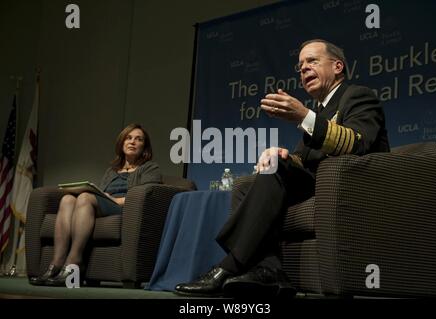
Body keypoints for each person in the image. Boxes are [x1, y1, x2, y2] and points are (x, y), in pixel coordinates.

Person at [175, 39, 390, 297]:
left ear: (337, 66)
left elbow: (357, 143)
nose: (303, 69)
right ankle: (271, 271)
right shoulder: (318, 111)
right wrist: (282, 154)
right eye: (299, 66)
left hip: (352, 185)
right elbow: (303, 159)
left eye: (312, 61)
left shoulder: (357, 95)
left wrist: (303, 117)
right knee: (253, 180)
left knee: (277, 168)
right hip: (320, 184)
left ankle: (228, 266)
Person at [29, 123, 162, 286]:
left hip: (126, 210)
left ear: (144, 146)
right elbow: (102, 193)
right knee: (67, 199)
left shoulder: (150, 168)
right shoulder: (112, 170)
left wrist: (112, 200)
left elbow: (144, 198)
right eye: (128, 138)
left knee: (85, 197)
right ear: (122, 143)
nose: (132, 142)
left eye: (138, 139)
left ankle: (75, 262)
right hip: (105, 206)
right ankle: (56, 264)